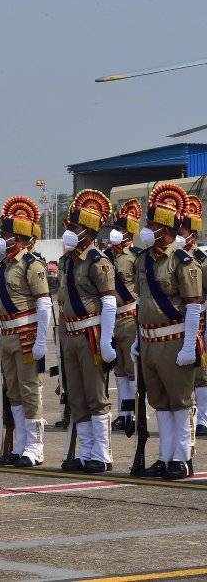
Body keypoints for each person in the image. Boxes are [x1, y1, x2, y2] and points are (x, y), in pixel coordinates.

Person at [135, 184, 202, 479]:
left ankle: (182, 457)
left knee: (180, 401)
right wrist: (139, 339)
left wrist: (190, 346)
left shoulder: (182, 262)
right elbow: (142, 301)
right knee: (159, 402)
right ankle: (164, 456)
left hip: (174, 339)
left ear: (165, 228)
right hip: (149, 340)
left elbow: (193, 306)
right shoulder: (143, 259)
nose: (147, 229)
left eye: (152, 224)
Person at [0, 196, 50, 468]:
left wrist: (40, 340)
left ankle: (35, 448)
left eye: (6, 234)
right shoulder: (3, 266)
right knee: (13, 391)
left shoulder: (31, 264)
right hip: (7, 335)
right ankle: (21, 445)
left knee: (29, 391)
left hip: (25, 334)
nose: (2, 239)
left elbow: (44, 303)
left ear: (20, 237)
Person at [58, 190, 116, 474]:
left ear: (89, 232)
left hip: (90, 334)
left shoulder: (98, 261)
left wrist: (106, 341)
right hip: (69, 336)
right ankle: (85, 451)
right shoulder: (68, 261)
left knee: (95, 395)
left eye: (76, 227)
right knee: (76, 396)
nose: (70, 231)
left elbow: (108, 302)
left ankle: (102, 454)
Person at [107, 199, 141, 435]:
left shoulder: (135, 256)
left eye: (119, 229)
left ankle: (136, 413)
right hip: (111, 318)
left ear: (128, 233)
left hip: (129, 316)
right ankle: (123, 412)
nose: (115, 233)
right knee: (118, 368)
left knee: (131, 369)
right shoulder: (106, 255)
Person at [177, 197, 207, 438]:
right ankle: (190, 416)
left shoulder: (202, 261)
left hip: (201, 320)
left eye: (183, 231)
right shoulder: (173, 259)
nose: (179, 234)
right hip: (177, 322)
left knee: (202, 373)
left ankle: (204, 418)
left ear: (192, 235)